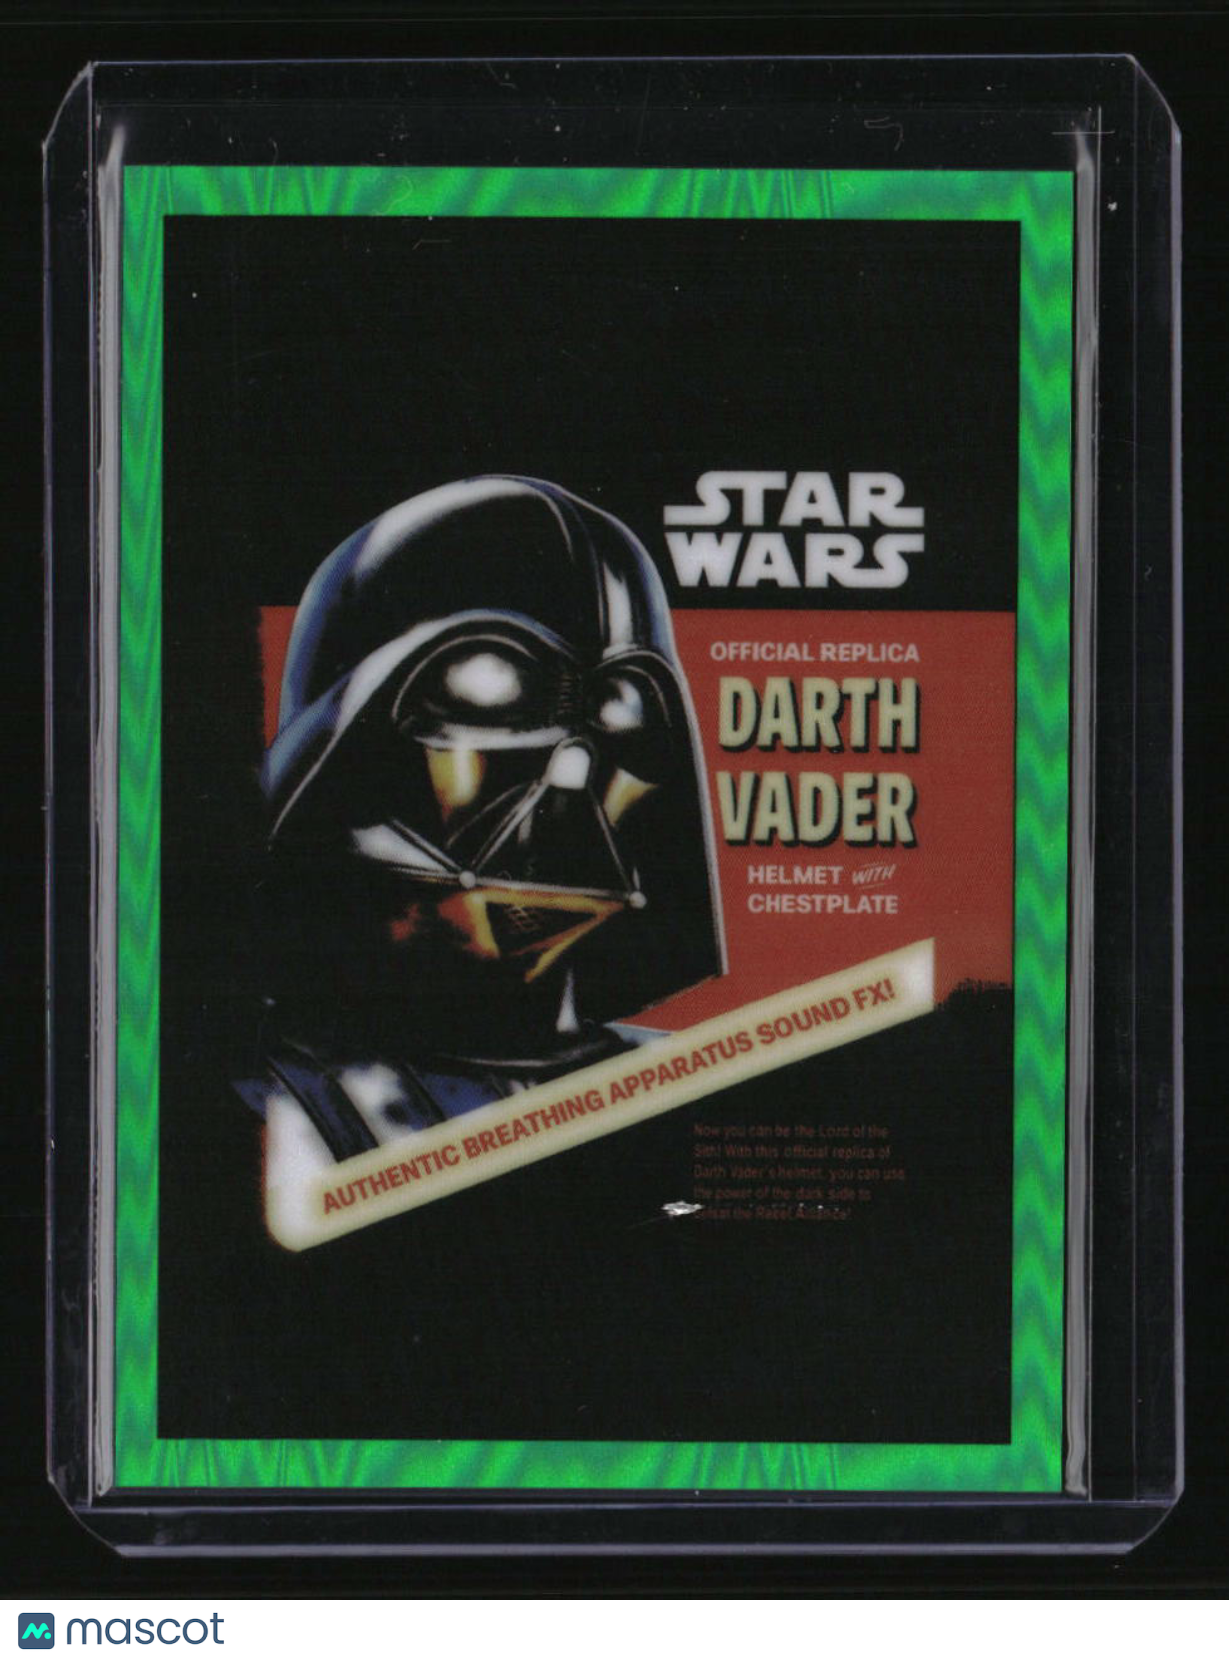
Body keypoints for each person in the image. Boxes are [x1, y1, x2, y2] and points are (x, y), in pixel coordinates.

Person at [235, 475, 723, 1174]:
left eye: (622, 711)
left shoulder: (692, 1094)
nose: (572, 772)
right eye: (495, 698)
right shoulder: (251, 1108)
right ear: (349, 752)